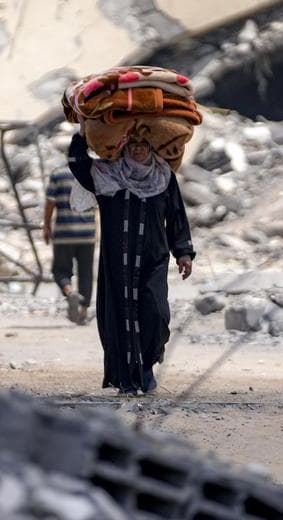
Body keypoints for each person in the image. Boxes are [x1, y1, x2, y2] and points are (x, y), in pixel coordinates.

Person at [67, 129, 195, 396]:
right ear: (124, 146)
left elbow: (176, 216)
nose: (138, 149)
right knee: (119, 318)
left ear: (151, 147)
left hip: (153, 260)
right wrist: (82, 131)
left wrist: (183, 252)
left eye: (143, 144)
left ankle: (147, 365)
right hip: (118, 264)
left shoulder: (163, 177)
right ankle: (126, 378)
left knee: (155, 312)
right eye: (133, 143)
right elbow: (77, 163)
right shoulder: (108, 176)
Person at [43, 164, 99, 324]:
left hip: (64, 233)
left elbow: (50, 202)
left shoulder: (58, 173)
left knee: (60, 271)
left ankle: (69, 292)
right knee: (86, 273)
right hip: (87, 234)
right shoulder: (92, 171)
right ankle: (83, 312)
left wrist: (46, 225)